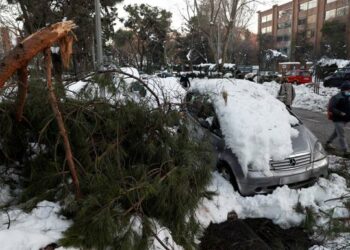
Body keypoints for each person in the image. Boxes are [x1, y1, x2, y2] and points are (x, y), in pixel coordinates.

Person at [325, 81, 350, 156]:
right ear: (344, 90)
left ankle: (328, 143)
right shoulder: (336, 97)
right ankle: (346, 151)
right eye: (348, 90)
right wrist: (340, 113)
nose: (349, 91)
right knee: (341, 135)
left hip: (345, 118)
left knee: (336, 132)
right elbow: (331, 108)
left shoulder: (348, 97)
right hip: (338, 118)